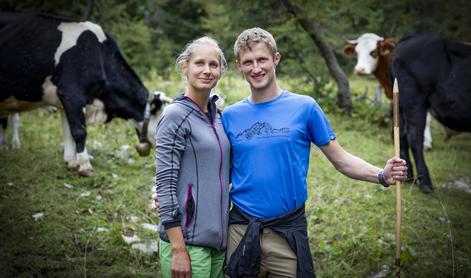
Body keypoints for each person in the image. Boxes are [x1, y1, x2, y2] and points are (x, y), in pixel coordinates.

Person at [221, 27, 408, 277]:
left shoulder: (305, 107)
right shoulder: (230, 116)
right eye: (248, 62)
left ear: (276, 59)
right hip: (241, 230)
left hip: (287, 230)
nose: (256, 68)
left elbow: (341, 160)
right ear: (239, 66)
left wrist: (382, 175)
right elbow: (216, 171)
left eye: (262, 59)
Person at [155, 36, 231, 278]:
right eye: (199, 63)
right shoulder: (175, 115)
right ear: (184, 67)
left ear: (221, 71)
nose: (207, 71)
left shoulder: (218, 117)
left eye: (213, 64)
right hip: (187, 245)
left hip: (219, 244)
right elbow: (164, 184)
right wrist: (178, 249)